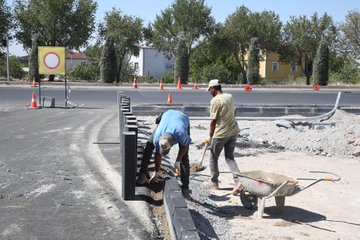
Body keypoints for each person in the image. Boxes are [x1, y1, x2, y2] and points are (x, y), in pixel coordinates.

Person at [136, 110, 192, 198]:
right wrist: (156, 172)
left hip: (182, 118)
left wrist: (177, 161)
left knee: (184, 158)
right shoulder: (157, 137)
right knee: (149, 146)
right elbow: (158, 154)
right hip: (166, 115)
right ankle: (142, 174)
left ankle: (185, 188)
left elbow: (185, 147)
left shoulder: (181, 133)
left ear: (172, 143)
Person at [203, 79, 241, 192]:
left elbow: (213, 121)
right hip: (233, 131)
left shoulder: (215, 101)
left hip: (221, 134)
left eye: (210, 90)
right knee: (230, 157)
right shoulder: (229, 96)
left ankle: (214, 182)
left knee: (213, 157)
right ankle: (238, 181)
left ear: (214, 89)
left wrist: (210, 136)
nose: (209, 92)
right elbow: (234, 112)